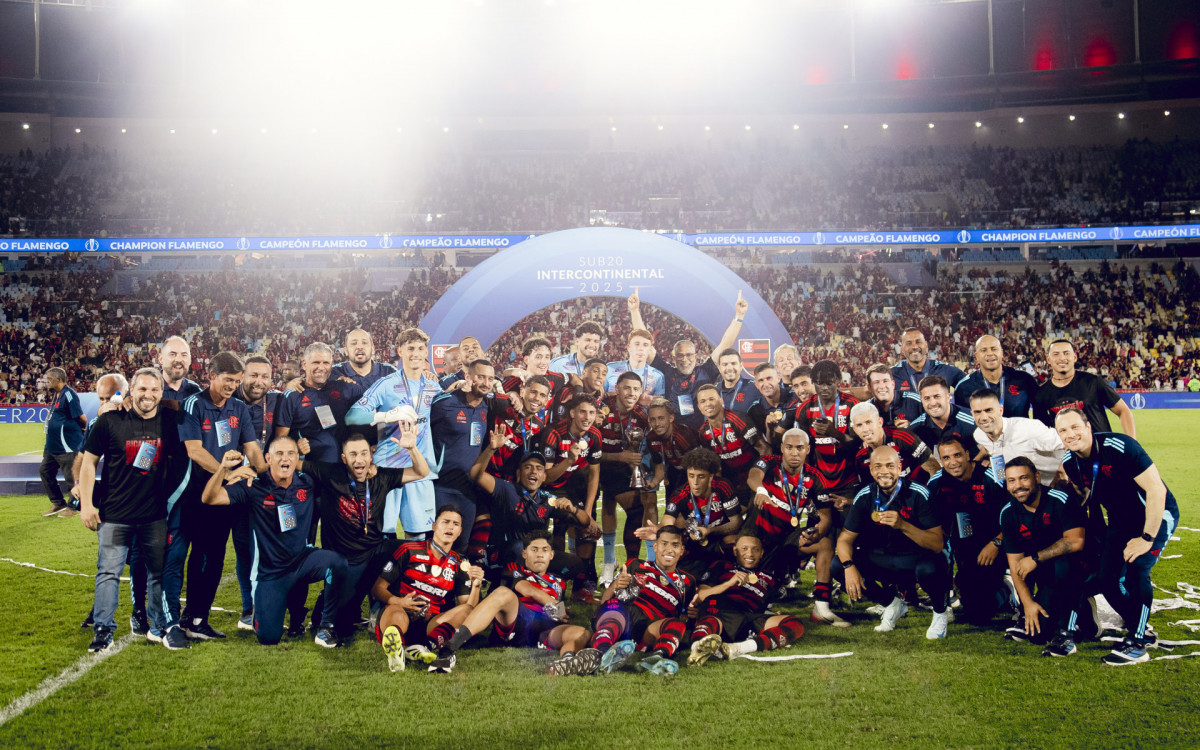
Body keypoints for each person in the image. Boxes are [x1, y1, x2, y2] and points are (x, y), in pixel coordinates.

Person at [1055, 408, 1181, 665]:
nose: (1070, 434)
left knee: (1137, 570)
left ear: (1089, 426)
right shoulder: (1071, 462)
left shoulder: (1120, 446)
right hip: (1121, 522)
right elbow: (1091, 497)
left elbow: (1156, 491)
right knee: (1107, 578)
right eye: (1063, 431)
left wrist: (1146, 538)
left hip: (1155, 515)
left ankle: (1138, 644)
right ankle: (1141, 626)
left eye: (1075, 427)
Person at [202, 437, 350, 648]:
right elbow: (210, 498)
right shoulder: (254, 485)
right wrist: (223, 471)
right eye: (279, 454)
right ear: (268, 458)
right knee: (269, 637)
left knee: (338, 564)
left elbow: (339, 478)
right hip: (269, 573)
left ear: (297, 458)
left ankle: (326, 627)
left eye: (290, 453)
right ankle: (260, 614)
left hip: (301, 562)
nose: (285, 459)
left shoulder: (307, 482)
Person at [78, 368, 186, 652]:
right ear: (130, 391)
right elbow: (88, 463)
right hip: (114, 516)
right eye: (141, 389)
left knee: (156, 574)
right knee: (108, 573)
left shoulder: (171, 421)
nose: (147, 395)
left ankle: (157, 625)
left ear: (161, 394)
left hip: (154, 516)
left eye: (154, 390)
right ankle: (103, 630)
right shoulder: (110, 421)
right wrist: (87, 505)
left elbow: (192, 405)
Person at [172, 352, 267, 642]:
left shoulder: (239, 407)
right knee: (189, 555)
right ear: (212, 376)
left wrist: (265, 472)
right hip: (194, 494)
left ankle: (198, 618)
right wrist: (229, 474)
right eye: (228, 380)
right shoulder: (193, 404)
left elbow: (252, 448)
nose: (232, 386)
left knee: (213, 556)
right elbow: (194, 450)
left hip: (224, 496)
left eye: (236, 381)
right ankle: (176, 618)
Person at [301, 426, 429, 636]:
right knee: (341, 624)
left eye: (363, 453)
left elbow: (421, 471)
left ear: (372, 454)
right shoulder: (330, 473)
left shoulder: (382, 477)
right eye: (353, 455)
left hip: (374, 553)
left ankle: (385, 610)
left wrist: (412, 448)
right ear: (344, 458)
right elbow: (292, 464)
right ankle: (329, 606)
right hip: (345, 561)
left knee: (409, 550)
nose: (359, 460)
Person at [836, 446, 951, 639]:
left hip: (915, 559)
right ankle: (891, 604)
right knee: (837, 565)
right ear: (871, 470)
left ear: (899, 468)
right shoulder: (865, 496)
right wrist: (848, 567)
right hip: (883, 559)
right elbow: (845, 539)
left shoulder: (918, 493)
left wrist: (903, 525)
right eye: (878, 466)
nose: (884, 471)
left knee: (931, 567)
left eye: (890, 466)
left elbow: (937, 543)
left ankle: (940, 612)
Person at [346, 327, 444, 539]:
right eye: (410, 348)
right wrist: (386, 416)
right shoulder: (386, 385)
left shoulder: (435, 388)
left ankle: (410, 573)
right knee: (382, 534)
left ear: (426, 352)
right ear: (400, 352)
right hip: (388, 470)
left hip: (420, 470)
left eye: (420, 348)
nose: (415, 353)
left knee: (419, 536)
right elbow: (351, 416)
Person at [563, 525, 696, 677]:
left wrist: (692, 613)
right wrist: (616, 585)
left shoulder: (688, 582)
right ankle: (602, 654)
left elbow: (685, 617)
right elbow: (604, 601)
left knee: (676, 624)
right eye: (664, 544)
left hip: (649, 627)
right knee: (613, 606)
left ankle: (657, 658)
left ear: (681, 550)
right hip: (622, 615)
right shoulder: (635, 565)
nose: (669, 549)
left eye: (675, 545)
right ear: (656, 546)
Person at [746, 428, 845, 627]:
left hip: (787, 539)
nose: (794, 453)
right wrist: (761, 490)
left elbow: (825, 517)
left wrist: (814, 534)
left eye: (799, 448)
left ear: (807, 449)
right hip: (757, 540)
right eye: (789, 447)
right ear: (782, 448)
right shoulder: (768, 463)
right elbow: (753, 476)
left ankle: (822, 607)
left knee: (825, 542)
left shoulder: (815, 477)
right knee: (753, 605)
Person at [371, 506, 486, 672]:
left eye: (455, 524)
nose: (450, 527)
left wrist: (476, 585)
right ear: (434, 526)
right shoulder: (409, 550)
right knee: (397, 613)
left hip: (432, 624)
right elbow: (378, 589)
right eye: (445, 522)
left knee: (466, 611)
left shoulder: (460, 563)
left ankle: (423, 646)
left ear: (460, 531)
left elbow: (468, 608)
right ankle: (396, 644)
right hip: (399, 613)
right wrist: (400, 602)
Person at [470, 427, 595, 578]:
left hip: (534, 555)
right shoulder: (506, 489)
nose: (533, 472)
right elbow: (476, 476)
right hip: (503, 555)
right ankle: (511, 583)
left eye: (539, 469)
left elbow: (585, 522)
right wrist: (491, 449)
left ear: (543, 477)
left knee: (574, 563)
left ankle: (545, 582)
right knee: (520, 548)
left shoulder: (547, 500)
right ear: (519, 473)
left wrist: (573, 509)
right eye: (527, 467)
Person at [998, 457, 1087, 657]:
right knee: (1039, 634)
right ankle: (1085, 616)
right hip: (1049, 575)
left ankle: (1066, 634)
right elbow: (1015, 564)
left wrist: (1035, 558)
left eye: (1023, 478)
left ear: (1037, 477)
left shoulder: (1059, 499)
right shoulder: (1008, 513)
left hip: (1082, 568)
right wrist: (1028, 604)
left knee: (1064, 564)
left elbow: (1076, 542)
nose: (1018, 486)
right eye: (1011, 481)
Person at [924, 437, 1010, 626]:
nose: (952, 462)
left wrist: (996, 543)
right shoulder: (936, 484)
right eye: (946, 458)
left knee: (983, 610)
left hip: (998, 543)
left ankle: (1008, 587)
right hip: (966, 547)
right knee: (974, 613)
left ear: (968, 455)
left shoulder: (991, 478)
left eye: (957, 455)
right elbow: (932, 522)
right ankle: (963, 588)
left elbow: (1015, 516)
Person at [633, 287, 746, 427]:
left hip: (702, 434)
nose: (684, 359)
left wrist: (739, 317)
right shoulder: (666, 372)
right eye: (680, 355)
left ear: (696, 356)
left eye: (688, 355)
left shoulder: (706, 371)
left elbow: (725, 344)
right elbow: (646, 344)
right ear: (674, 358)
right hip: (674, 435)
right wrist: (634, 311)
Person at [687, 533, 807, 665]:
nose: (750, 554)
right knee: (713, 603)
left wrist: (771, 614)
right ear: (735, 550)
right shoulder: (721, 566)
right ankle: (697, 648)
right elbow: (702, 595)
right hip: (722, 613)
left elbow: (766, 606)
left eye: (755, 549)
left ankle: (738, 648)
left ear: (761, 553)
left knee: (795, 623)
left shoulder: (769, 579)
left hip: (749, 617)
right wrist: (729, 583)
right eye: (744, 549)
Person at [230, 354, 281, 629]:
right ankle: (248, 609)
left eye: (264, 377)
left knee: (267, 548)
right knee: (243, 551)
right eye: (253, 375)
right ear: (242, 376)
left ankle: (263, 605)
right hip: (232, 483)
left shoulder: (277, 400)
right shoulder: (229, 400)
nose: (258, 382)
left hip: (264, 484)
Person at [539, 395, 603, 598]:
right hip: (553, 488)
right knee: (560, 528)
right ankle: (558, 585)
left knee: (587, 529)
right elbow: (547, 478)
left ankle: (579, 588)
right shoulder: (553, 433)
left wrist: (588, 512)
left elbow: (594, 475)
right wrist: (568, 461)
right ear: (573, 413)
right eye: (583, 412)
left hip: (578, 486)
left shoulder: (594, 435)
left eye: (592, 413)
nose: (588, 417)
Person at [506, 532, 596, 676]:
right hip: (523, 625)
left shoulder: (558, 581)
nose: (540, 555)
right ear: (524, 553)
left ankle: (567, 662)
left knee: (582, 633)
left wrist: (563, 614)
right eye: (534, 550)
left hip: (547, 629)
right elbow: (528, 590)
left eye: (545, 550)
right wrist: (556, 605)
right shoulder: (518, 572)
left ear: (552, 555)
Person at [428, 359, 493, 555]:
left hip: (467, 490)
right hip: (441, 487)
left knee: (460, 546)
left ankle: (453, 584)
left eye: (490, 378)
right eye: (481, 377)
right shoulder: (444, 402)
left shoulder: (486, 406)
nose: (485, 382)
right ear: (467, 377)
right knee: (434, 545)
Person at [596, 371, 653, 579]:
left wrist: (640, 471)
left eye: (636, 389)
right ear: (617, 388)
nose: (632, 393)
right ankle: (626, 563)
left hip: (619, 471)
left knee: (618, 508)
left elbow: (638, 451)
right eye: (627, 388)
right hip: (592, 466)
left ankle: (614, 563)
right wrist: (621, 457)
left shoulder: (642, 417)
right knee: (631, 510)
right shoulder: (601, 407)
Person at [654, 447, 742, 577]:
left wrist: (709, 530)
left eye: (701, 477)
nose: (695, 483)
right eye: (691, 476)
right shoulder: (681, 494)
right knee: (678, 525)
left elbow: (736, 522)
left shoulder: (723, 487)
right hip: (694, 544)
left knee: (736, 542)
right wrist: (660, 531)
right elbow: (668, 520)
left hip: (721, 540)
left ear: (711, 477)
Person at [777, 360, 860, 492]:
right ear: (813, 382)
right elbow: (804, 449)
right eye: (820, 383)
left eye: (829, 383)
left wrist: (835, 433)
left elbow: (857, 445)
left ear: (838, 380)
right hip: (819, 480)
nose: (825, 388)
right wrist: (811, 479)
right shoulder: (805, 409)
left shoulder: (851, 404)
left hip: (849, 480)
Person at [275, 342, 365, 465]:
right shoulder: (291, 396)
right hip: (310, 472)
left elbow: (374, 403)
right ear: (304, 364)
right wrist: (295, 448)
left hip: (343, 472)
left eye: (326, 363)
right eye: (316, 363)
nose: (321, 367)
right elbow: (279, 440)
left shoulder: (344, 388)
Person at [1033, 339, 1136, 437]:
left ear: (1075, 357)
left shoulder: (1093, 382)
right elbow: (1042, 432)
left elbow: (1123, 410)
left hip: (1102, 452)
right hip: (1068, 453)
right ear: (1048, 359)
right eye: (1056, 354)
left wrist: (1132, 445)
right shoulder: (1041, 394)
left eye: (1066, 353)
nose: (1062, 358)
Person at [970, 389, 1064, 486]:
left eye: (988, 410)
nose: (984, 417)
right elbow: (995, 452)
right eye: (977, 412)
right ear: (972, 414)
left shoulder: (1028, 428)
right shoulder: (979, 435)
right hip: (1027, 490)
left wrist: (1063, 470)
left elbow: (1067, 442)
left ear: (1000, 410)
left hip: (1060, 485)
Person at [695, 384, 759, 505]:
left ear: (721, 400)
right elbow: (714, 463)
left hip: (753, 476)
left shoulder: (738, 419)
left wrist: (762, 477)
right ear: (699, 406)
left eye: (711, 399)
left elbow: (764, 449)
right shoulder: (703, 432)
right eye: (702, 401)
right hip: (731, 480)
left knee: (754, 516)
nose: (707, 404)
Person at [849, 401, 939, 486]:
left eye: (868, 422)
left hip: (918, 492)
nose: (865, 429)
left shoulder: (903, 437)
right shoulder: (861, 457)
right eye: (859, 425)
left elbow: (934, 468)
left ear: (880, 422)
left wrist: (930, 496)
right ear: (855, 430)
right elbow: (870, 489)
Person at [40, 366, 87, 516]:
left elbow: (81, 417)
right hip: (52, 446)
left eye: (49, 379)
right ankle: (58, 503)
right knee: (45, 471)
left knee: (72, 478)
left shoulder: (69, 395)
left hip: (66, 445)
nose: (46, 382)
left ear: (59, 380)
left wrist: (82, 431)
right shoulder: (56, 394)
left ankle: (74, 507)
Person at [485, 374, 551, 483]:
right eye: (533, 392)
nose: (537, 398)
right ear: (522, 391)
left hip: (504, 479)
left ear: (546, 401)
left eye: (542, 395)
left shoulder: (538, 425)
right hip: (482, 471)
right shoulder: (504, 404)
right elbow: (478, 397)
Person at [953, 335, 1038, 417]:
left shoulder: (1024, 379)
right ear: (977, 356)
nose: (990, 353)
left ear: (1001, 353)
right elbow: (962, 425)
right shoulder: (964, 387)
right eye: (983, 350)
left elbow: (1041, 417)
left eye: (994, 349)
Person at [910, 375, 978, 461]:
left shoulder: (973, 421)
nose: (933, 403)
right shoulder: (915, 429)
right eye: (927, 398)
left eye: (937, 396)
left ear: (948, 397)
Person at [644, 397, 701, 501]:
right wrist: (653, 483)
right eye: (653, 419)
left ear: (671, 418)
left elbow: (700, 465)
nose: (657, 424)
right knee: (670, 511)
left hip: (695, 474)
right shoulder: (651, 438)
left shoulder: (685, 435)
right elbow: (660, 464)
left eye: (661, 418)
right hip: (673, 474)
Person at [891, 327, 967, 399]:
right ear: (902, 349)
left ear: (926, 345)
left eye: (918, 342)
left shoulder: (945, 370)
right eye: (909, 343)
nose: (914, 346)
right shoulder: (893, 374)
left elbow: (969, 391)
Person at [604, 328, 665, 397]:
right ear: (629, 347)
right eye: (637, 344)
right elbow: (600, 397)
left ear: (650, 349)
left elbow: (660, 405)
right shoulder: (610, 368)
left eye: (645, 345)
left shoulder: (657, 376)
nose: (641, 348)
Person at [333, 329, 397, 389]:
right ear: (346, 351)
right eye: (354, 343)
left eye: (364, 343)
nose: (359, 347)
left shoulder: (389, 372)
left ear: (372, 349)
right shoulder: (334, 372)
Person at [865, 363, 921, 429]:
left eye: (885, 381)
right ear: (869, 388)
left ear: (893, 384)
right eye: (876, 382)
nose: (882, 386)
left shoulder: (915, 401)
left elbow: (932, 421)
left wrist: (912, 426)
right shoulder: (866, 409)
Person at [746, 363, 785, 447]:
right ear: (756, 385)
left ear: (778, 378)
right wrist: (769, 429)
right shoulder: (754, 411)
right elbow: (765, 446)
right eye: (761, 380)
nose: (766, 384)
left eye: (769, 378)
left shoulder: (794, 398)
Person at [713, 347, 761, 414]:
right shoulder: (714, 390)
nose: (729, 368)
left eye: (733, 363)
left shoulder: (754, 387)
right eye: (725, 364)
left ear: (741, 366)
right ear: (719, 368)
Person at [158, 336, 202, 403]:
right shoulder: (147, 389)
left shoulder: (195, 391)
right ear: (161, 359)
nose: (178, 359)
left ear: (190, 360)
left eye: (184, 355)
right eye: (172, 354)